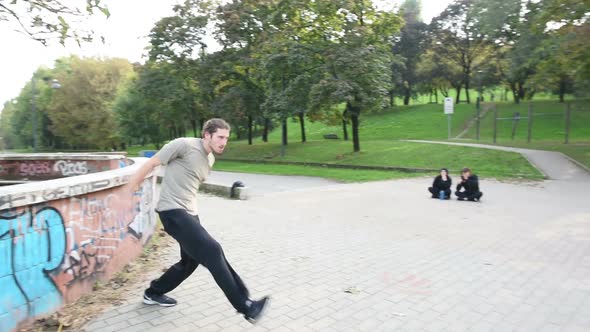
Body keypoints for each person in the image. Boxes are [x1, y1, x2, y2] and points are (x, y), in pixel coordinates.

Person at [124, 118, 269, 324]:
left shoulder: (210, 160)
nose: (223, 142)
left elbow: (189, 187)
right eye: (220, 137)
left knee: (190, 262)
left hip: (190, 214)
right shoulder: (183, 145)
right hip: (172, 212)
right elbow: (152, 163)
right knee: (212, 250)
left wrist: (195, 217)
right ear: (207, 135)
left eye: (226, 138)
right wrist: (131, 189)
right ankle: (245, 305)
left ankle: (154, 292)